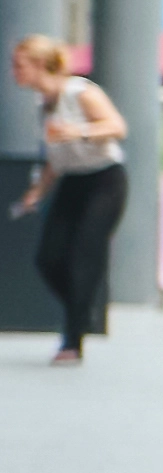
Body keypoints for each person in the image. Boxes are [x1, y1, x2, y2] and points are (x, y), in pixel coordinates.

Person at [10, 33, 129, 361]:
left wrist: (80, 131)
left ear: (38, 65)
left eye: (19, 65)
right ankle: (82, 311)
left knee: (83, 253)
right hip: (72, 179)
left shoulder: (80, 93)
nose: (14, 73)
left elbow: (117, 127)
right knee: (49, 257)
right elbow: (56, 157)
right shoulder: (43, 106)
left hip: (105, 178)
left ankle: (72, 340)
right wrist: (38, 191)